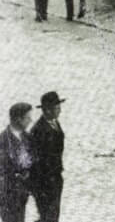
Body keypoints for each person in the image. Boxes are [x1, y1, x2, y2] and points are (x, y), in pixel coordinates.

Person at [29, 92, 65, 222]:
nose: (60, 110)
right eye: (57, 107)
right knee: (48, 217)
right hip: (43, 182)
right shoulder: (38, 130)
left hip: (55, 179)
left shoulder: (55, 123)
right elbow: (34, 160)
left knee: (52, 217)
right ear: (47, 110)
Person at [0, 103, 34, 222]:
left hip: (23, 193)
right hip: (7, 194)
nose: (31, 120)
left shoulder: (28, 137)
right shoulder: (3, 140)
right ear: (18, 119)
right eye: (28, 118)